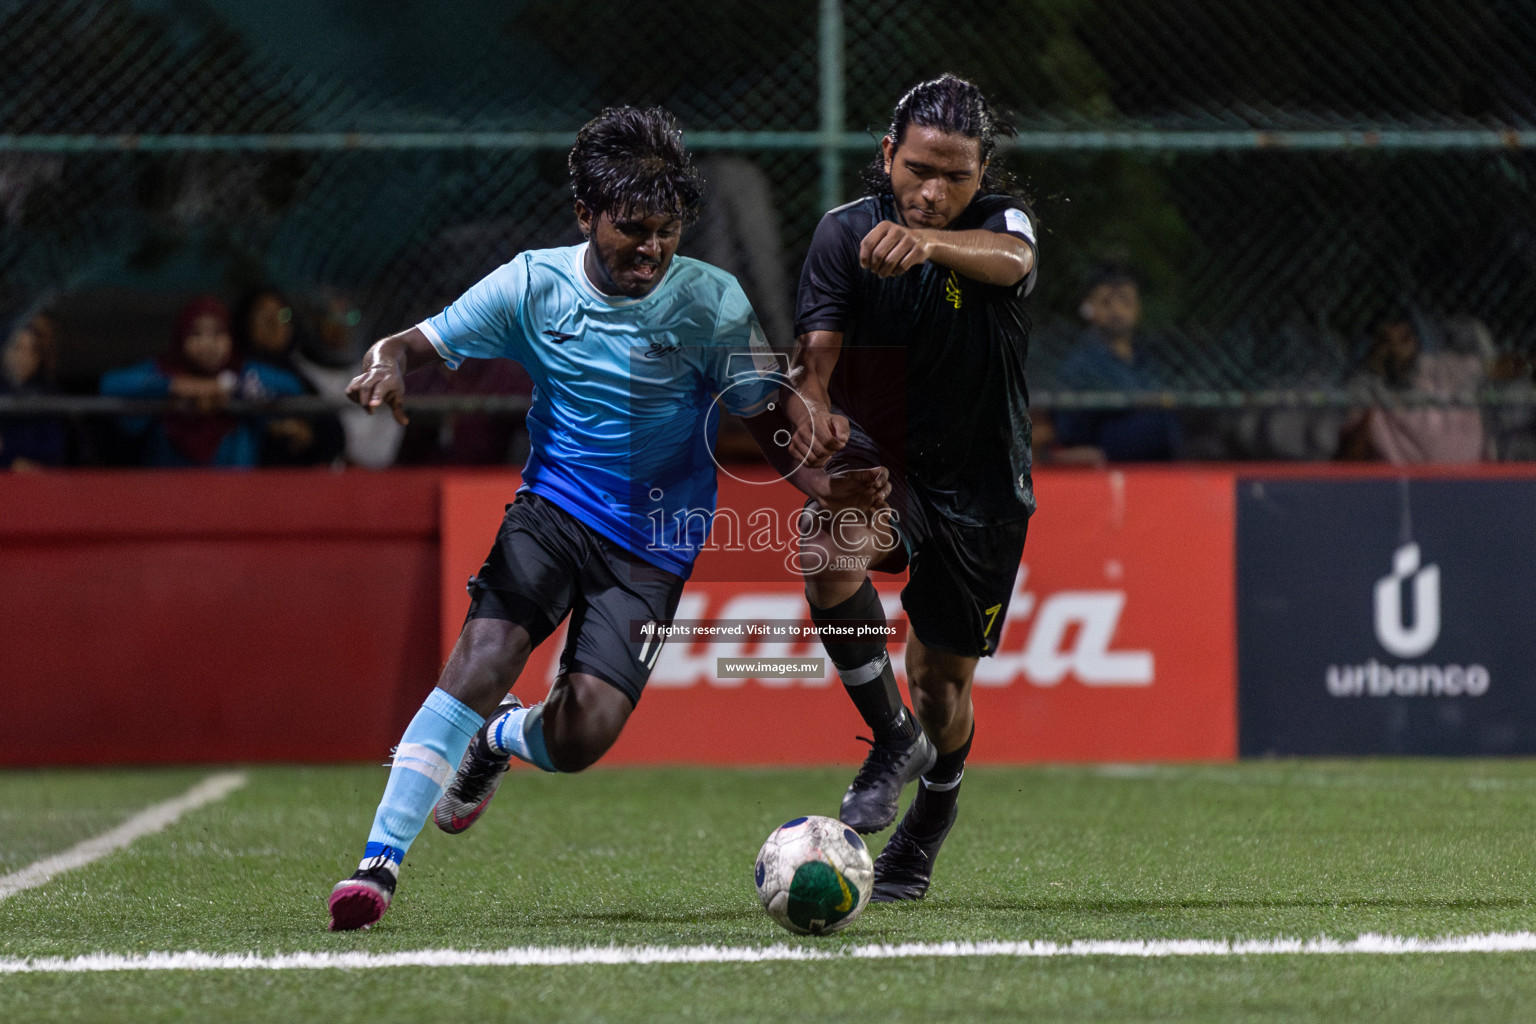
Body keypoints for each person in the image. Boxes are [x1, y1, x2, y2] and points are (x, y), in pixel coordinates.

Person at [327, 106, 797, 931]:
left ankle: (497, 743)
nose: (651, 248)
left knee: (583, 737)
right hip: (554, 509)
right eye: (632, 229)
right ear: (585, 215)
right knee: (483, 654)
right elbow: (411, 342)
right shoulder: (531, 285)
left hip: (656, 542)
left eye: (668, 229)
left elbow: (769, 421)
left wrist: (840, 489)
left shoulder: (711, 303)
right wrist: (384, 363)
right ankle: (378, 864)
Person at [783, 74, 1038, 902]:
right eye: (918, 169)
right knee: (825, 551)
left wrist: (928, 244)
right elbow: (813, 363)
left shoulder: (1000, 227)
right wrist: (815, 408)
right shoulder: (842, 235)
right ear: (887, 155)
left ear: (982, 171)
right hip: (886, 469)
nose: (932, 190)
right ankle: (889, 739)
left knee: (941, 687)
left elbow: (1016, 261)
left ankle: (930, 817)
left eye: (954, 174)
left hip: (984, 489)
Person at [99, 297, 307, 468]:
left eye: (218, 333)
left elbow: (291, 386)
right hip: (168, 495)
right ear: (180, 339)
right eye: (195, 334)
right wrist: (178, 386)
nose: (208, 344)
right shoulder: (166, 370)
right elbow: (109, 384)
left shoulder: (241, 371)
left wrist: (230, 387)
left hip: (233, 497)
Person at [1049, 263, 1181, 462]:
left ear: (1138, 308)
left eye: (1125, 301)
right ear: (1089, 308)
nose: (1116, 310)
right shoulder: (1082, 360)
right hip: (1102, 444)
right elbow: (1071, 427)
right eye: (1106, 302)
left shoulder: (1149, 357)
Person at [1337, 312, 1484, 464]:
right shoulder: (1364, 387)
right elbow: (1348, 456)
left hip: (1464, 476)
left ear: (1417, 341)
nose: (1396, 349)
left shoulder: (1443, 370)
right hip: (1397, 480)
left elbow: (1494, 368)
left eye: (1404, 339)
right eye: (1385, 342)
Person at [233, 287, 346, 467]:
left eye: (282, 316)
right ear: (245, 324)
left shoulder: (299, 371)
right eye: (265, 317)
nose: (276, 325)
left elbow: (334, 433)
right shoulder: (239, 372)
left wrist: (311, 433)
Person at [0, 309, 68, 471]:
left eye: (32, 351)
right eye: (17, 348)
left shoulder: (48, 395)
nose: (23, 358)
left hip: (37, 484)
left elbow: (54, 448)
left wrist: (9, 452)